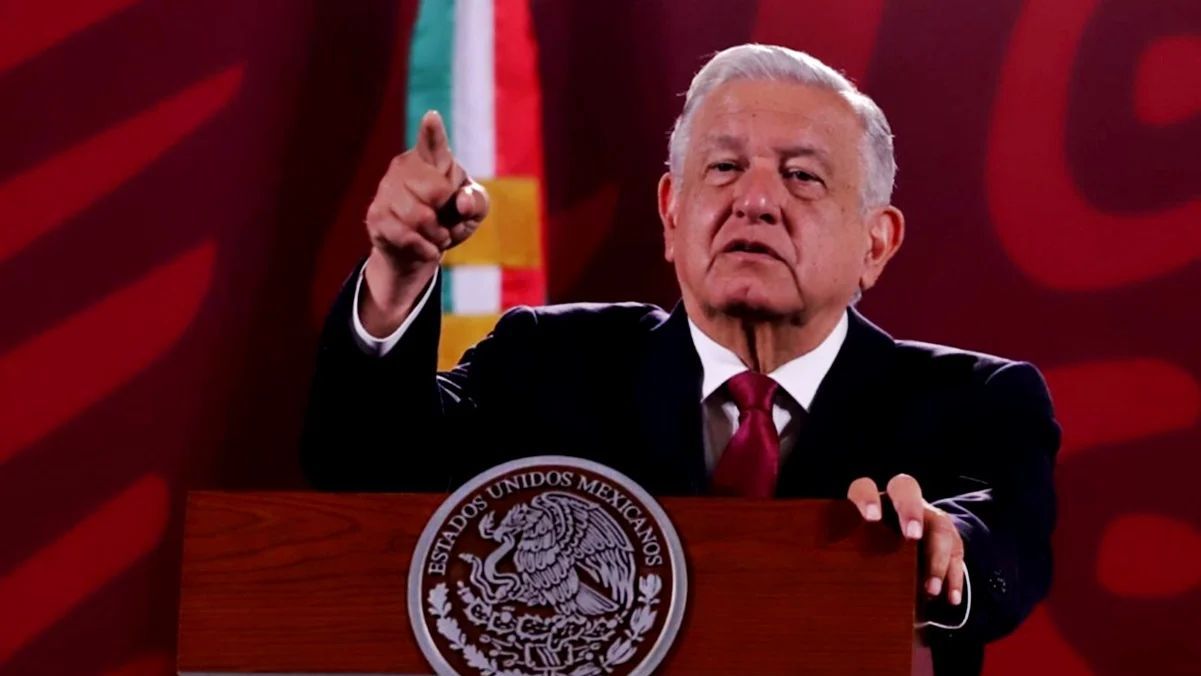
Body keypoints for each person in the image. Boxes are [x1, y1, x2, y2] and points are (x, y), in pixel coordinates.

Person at [301, 44, 1058, 674]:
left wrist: (941, 552)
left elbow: (1006, 549)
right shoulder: (547, 362)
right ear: (671, 213)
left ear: (876, 242)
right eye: (723, 169)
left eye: (801, 176)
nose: (754, 201)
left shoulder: (975, 401)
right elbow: (365, 466)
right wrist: (397, 274)